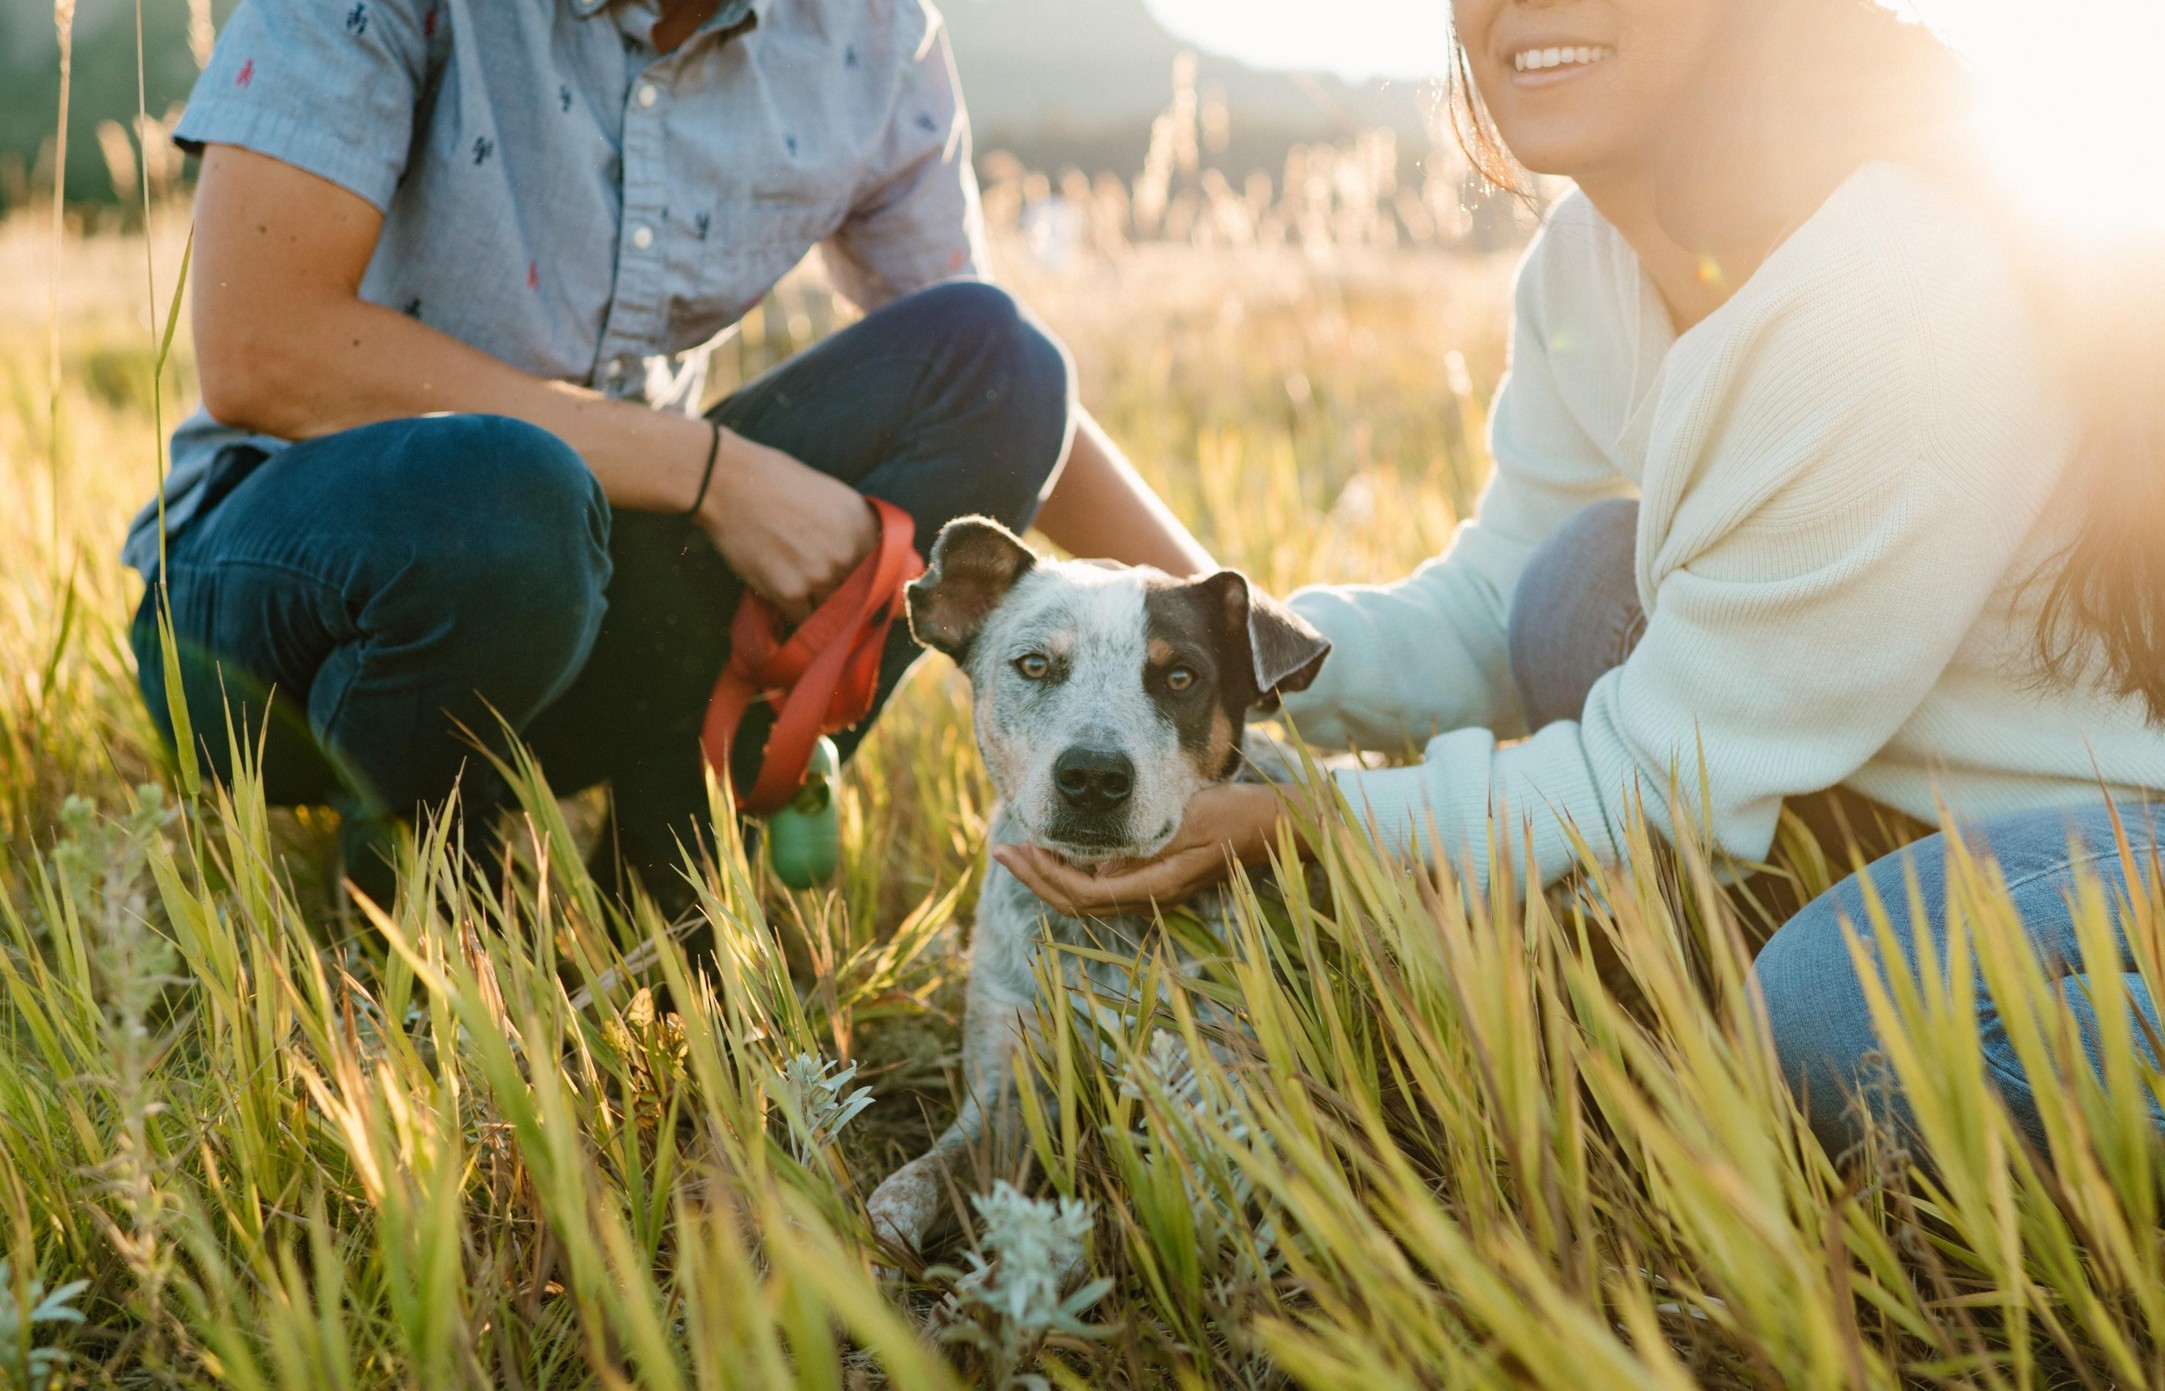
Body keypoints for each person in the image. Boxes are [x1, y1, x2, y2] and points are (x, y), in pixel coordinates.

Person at [995, 0, 2165, 1155]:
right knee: (1572, 590)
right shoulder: (1582, 264)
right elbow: (1489, 604)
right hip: (1923, 782)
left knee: (1831, 1020)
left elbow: (1663, 778)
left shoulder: (1882, 297)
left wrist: (1308, 820)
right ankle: (1758, 943)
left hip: (2129, 819)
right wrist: (1217, 667)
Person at [128, 0, 1212, 910]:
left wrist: (1241, 655)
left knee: (998, 356)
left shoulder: (868, 29)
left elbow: (1004, 404)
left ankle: (670, 892)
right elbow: (261, 344)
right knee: (513, 497)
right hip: (272, 621)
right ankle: (421, 907)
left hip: (584, 588)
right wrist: (713, 474)